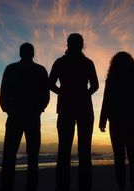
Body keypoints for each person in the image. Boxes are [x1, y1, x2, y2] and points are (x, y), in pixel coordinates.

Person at [49, 33, 99, 191]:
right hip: (83, 108)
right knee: (84, 152)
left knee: (64, 150)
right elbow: (95, 85)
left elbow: (50, 84)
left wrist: (62, 93)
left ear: (68, 44)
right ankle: (84, 187)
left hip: (66, 108)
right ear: (81, 44)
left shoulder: (60, 62)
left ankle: (62, 187)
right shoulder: (87, 63)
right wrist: (85, 94)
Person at [0, 43, 50, 191]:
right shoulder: (40, 70)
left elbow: (3, 93)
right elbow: (45, 96)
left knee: (10, 155)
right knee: (32, 156)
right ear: (32, 53)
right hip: (31, 117)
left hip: (16, 115)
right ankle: (31, 186)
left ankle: (6, 187)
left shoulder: (11, 68)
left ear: (20, 53)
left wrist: (7, 109)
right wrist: (39, 109)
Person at [99, 52, 134, 191]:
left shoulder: (112, 79)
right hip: (132, 121)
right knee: (133, 154)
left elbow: (106, 100)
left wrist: (102, 120)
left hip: (116, 121)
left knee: (119, 156)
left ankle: (121, 186)